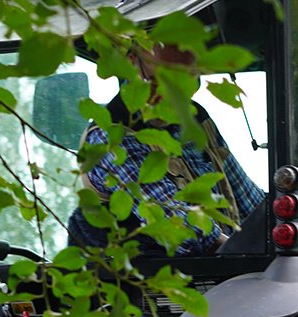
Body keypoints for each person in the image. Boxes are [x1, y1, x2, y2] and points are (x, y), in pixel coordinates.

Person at [66, 43, 264, 256]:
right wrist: (240, 254)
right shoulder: (110, 138)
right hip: (148, 283)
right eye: (162, 78)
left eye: (186, 81)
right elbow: (180, 226)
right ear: (132, 63)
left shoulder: (196, 121)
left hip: (219, 276)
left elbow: (249, 201)